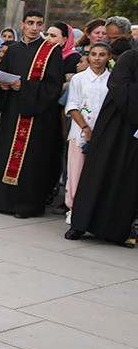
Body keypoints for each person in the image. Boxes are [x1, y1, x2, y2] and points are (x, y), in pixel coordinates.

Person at [0, 10, 64, 218]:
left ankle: (25, 206)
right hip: (12, 112)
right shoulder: (13, 50)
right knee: (5, 154)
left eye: (38, 23)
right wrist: (2, 86)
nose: (34, 27)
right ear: (22, 25)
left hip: (36, 117)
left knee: (30, 161)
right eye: (30, 23)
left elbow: (54, 86)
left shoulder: (51, 51)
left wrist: (24, 87)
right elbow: (3, 75)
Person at [65, 48, 137, 246]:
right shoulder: (131, 57)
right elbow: (119, 86)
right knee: (98, 172)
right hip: (115, 127)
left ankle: (117, 231)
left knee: (128, 181)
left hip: (134, 138)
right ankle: (80, 224)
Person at [64, 42, 112, 223]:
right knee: (75, 171)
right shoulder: (79, 79)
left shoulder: (112, 80)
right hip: (80, 131)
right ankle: (73, 208)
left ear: (109, 57)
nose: (97, 58)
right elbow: (73, 105)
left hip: (103, 133)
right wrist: (85, 128)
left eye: (102, 54)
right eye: (93, 54)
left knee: (97, 172)